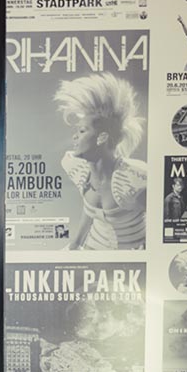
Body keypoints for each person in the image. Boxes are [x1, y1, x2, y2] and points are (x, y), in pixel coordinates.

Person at [57, 73, 146, 250]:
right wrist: (75, 245)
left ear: (102, 137)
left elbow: (160, 220)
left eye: (82, 131)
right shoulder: (77, 168)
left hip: (131, 260)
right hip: (93, 251)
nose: (75, 136)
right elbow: (89, 210)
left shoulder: (134, 179)